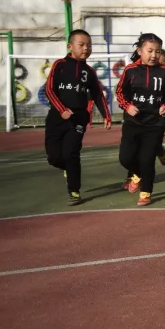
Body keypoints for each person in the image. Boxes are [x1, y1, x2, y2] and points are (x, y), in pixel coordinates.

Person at [44, 29, 112, 206]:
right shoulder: (59, 65)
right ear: (70, 46)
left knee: (71, 153)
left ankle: (74, 191)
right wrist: (61, 109)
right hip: (56, 118)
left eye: (89, 45)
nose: (86, 48)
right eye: (81, 45)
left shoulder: (89, 71)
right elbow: (49, 90)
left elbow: (97, 94)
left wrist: (106, 115)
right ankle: (67, 168)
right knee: (54, 158)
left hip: (78, 119)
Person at [116, 33, 165, 206]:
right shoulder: (130, 70)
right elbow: (120, 92)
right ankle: (137, 174)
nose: (154, 55)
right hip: (132, 122)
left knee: (146, 159)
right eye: (150, 51)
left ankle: (146, 192)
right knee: (125, 158)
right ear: (140, 51)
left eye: (157, 52)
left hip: (155, 123)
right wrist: (127, 106)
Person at [156, 48, 165, 166]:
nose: (162, 65)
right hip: (144, 116)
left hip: (161, 115)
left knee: (155, 141)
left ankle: (160, 151)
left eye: (164, 62)